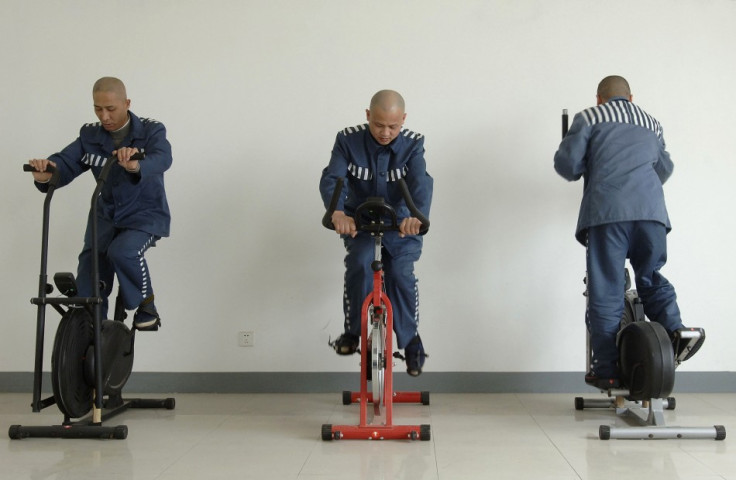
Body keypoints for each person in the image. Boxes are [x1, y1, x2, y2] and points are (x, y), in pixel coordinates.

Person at [554, 75, 704, 389]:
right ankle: (677, 330)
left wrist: (586, 161)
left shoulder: (590, 117)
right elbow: (664, 168)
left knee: (607, 289)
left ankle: (606, 369)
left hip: (608, 215)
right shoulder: (652, 123)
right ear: (631, 97)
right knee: (650, 277)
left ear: (599, 99)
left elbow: (567, 165)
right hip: (652, 215)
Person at [27, 77, 172, 331]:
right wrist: (47, 172)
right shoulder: (90, 135)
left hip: (144, 215)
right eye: (98, 108)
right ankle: (89, 336)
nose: (104, 116)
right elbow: (66, 161)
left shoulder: (151, 130)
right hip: (105, 216)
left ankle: (146, 303)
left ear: (126, 103)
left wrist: (137, 164)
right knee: (90, 269)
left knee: (122, 251)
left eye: (110, 109)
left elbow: (163, 158)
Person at [320, 90, 433, 376]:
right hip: (360, 223)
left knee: (400, 273)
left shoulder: (413, 145)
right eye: (379, 124)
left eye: (393, 126)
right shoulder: (347, 140)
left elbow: (420, 183)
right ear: (368, 115)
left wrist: (415, 217)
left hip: (401, 225)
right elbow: (334, 178)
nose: (385, 132)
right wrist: (337, 213)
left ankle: (411, 343)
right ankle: (353, 332)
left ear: (403, 120)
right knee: (359, 264)